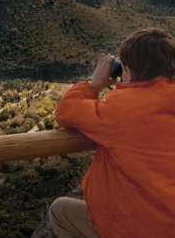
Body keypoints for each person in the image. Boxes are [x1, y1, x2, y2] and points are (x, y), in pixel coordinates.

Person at [48, 28, 175, 238]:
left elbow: (66, 111)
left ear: (129, 71)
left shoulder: (121, 110)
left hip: (140, 229)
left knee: (60, 211)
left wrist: (94, 85)